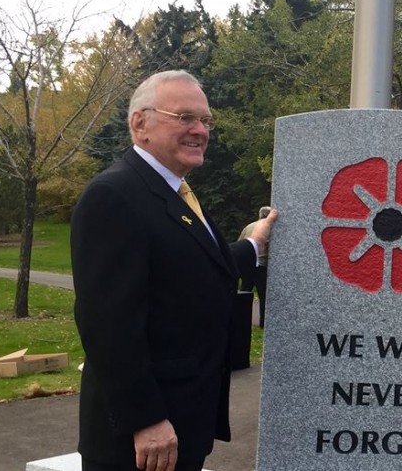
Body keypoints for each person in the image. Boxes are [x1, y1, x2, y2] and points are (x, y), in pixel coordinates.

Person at [71, 70, 278, 471]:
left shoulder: (172, 192)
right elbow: (107, 326)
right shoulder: (114, 196)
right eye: (184, 118)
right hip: (140, 442)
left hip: (183, 424)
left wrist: (253, 245)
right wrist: (145, 420)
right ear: (140, 124)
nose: (200, 130)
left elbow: (193, 270)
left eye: (205, 120)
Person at [239, 206, 272, 328]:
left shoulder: (249, 226)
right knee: (263, 295)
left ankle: (240, 320)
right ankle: (263, 323)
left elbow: (240, 241)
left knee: (244, 292)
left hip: (247, 264)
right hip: (261, 265)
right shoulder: (269, 228)